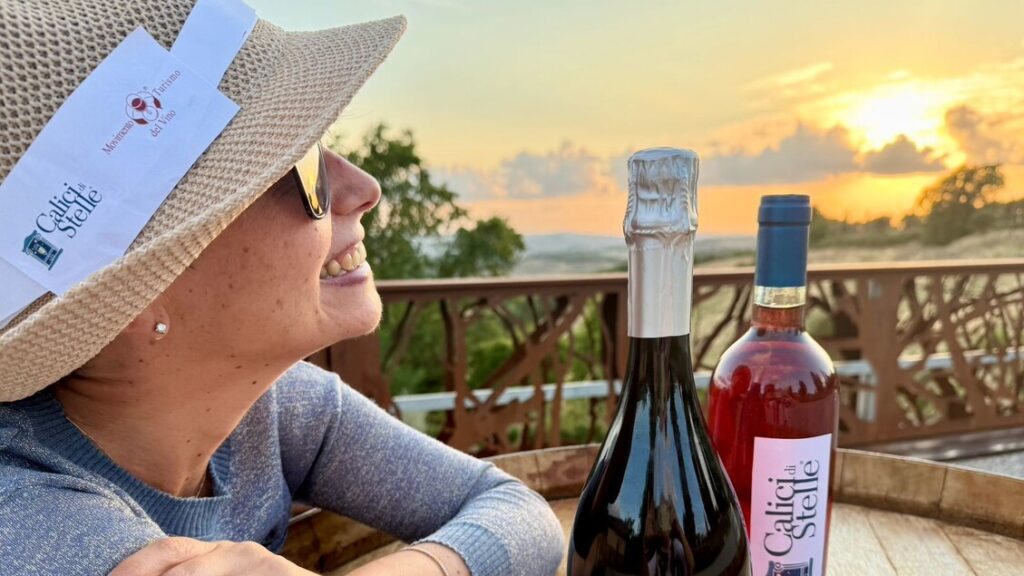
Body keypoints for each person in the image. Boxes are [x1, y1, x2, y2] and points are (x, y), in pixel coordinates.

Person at [0, 1, 565, 575]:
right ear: (135, 296)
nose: (364, 188)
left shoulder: (270, 408)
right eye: (302, 165)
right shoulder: (26, 515)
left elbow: (516, 511)